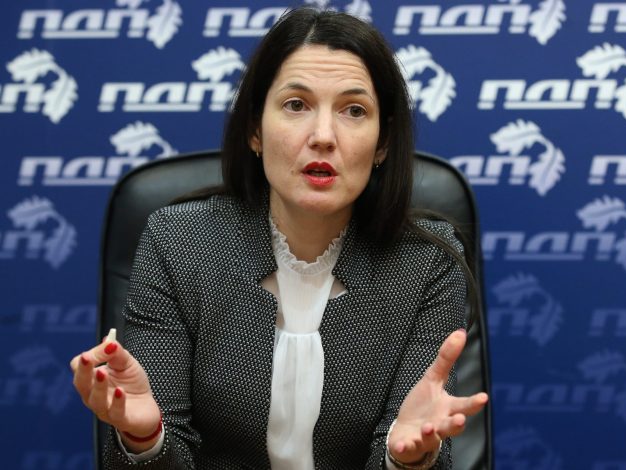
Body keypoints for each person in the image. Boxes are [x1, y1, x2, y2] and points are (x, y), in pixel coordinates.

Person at [70, 7, 488, 469]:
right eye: (296, 105)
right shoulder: (179, 243)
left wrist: (403, 460)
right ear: (254, 128)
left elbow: (419, 439)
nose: (323, 136)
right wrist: (146, 437)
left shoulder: (427, 263)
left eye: (354, 110)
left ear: (383, 143)